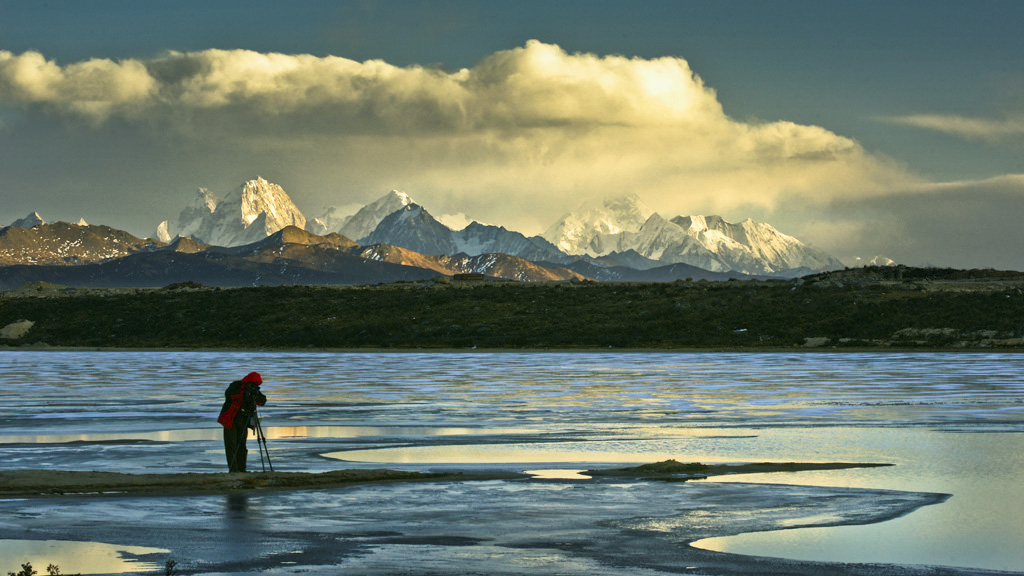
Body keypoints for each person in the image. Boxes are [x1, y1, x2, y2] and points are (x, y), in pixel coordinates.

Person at [217, 371, 267, 473]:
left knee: (242, 446)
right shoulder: (236, 386)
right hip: (230, 419)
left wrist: (255, 395)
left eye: (255, 385)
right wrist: (244, 394)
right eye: (251, 384)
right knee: (231, 445)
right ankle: (233, 469)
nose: (253, 386)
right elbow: (229, 395)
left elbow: (263, 401)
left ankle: (242, 468)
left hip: (243, 421)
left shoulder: (254, 390)